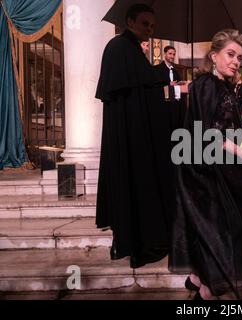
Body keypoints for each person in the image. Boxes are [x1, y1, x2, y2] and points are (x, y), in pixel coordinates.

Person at [169, 29, 242, 300]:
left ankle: (199, 279)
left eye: (239, 56)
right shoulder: (207, 84)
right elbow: (210, 134)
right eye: (230, 54)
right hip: (212, 176)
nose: (235, 61)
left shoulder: (224, 86)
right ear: (214, 55)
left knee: (225, 235)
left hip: (227, 172)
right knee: (222, 238)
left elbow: (223, 123)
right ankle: (205, 288)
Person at [95, 4, 175, 268]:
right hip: (130, 136)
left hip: (135, 134)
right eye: (145, 24)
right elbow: (136, 88)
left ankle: (144, 240)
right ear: (130, 21)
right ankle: (141, 244)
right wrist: (161, 75)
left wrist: (158, 77)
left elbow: (141, 84)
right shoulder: (120, 47)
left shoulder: (128, 49)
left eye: (152, 26)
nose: (149, 31)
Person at [153, 46, 187, 130]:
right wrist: (168, 84)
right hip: (163, 105)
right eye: (170, 54)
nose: (172, 56)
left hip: (174, 104)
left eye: (174, 54)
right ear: (165, 54)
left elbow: (177, 86)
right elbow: (155, 86)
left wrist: (180, 83)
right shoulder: (156, 69)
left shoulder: (176, 71)